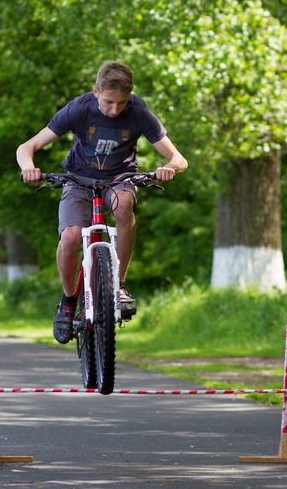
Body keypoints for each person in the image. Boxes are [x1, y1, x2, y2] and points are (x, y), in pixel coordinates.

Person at [17, 60, 188, 344]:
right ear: (95, 91)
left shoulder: (139, 112)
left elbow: (179, 159)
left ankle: (119, 286)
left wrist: (168, 168)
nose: (114, 110)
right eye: (108, 102)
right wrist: (28, 168)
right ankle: (68, 301)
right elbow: (27, 147)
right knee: (71, 237)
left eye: (121, 103)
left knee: (124, 204)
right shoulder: (79, 109)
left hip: (120, 178)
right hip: (78, 179)